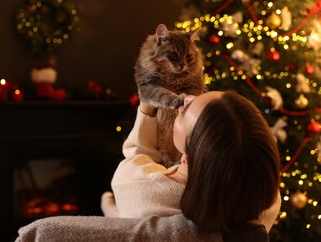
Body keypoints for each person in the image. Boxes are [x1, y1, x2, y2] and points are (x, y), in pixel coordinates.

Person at [101, 91, 281, 237]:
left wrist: (146, 109)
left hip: (127, 212)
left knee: (107, 201)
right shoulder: (268, 202)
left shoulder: (139, 187)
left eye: (184, 111)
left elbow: (136, 154)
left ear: (187, 160)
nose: (186, 97)